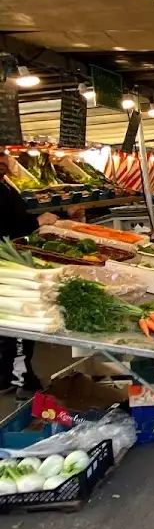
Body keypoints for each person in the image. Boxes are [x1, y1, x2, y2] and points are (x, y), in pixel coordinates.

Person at [0, 152, 58, 395]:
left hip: (12, 257)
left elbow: (16, 218)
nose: (4, 160)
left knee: (15, 327)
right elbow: (7, 224)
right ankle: (18, 376)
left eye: (3, 155)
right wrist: (35, 223)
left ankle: (13, 375)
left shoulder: (5, 184)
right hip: (6, 262)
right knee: (16, 325)